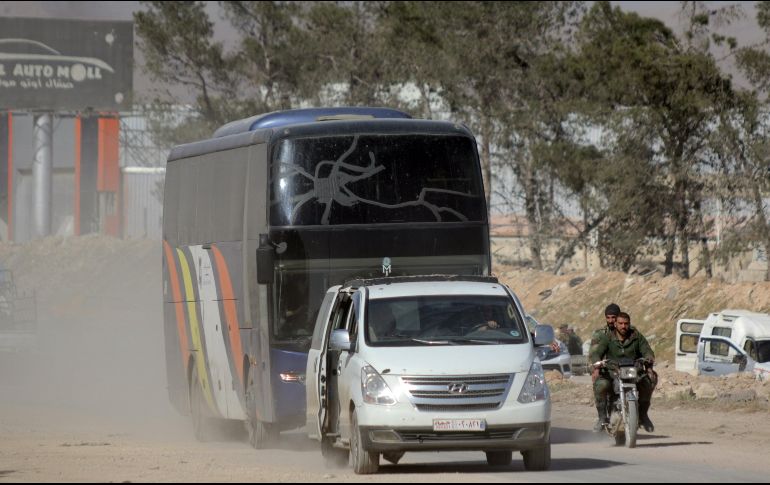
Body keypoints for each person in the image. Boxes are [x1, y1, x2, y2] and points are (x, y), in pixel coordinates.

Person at [589, 311, 656, 433]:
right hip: (613, 371)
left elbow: (646, 350)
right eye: (620, 323)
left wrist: (649, 358)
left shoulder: (636, 336)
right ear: (615, 324)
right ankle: (602, 418)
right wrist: (597, 365)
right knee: (601, 385)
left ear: (629, 324)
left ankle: (643, 415)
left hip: (633, 370)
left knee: (649, 381)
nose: (623, 326)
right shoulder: (608, 337)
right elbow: (596, 353)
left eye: (626, 323)